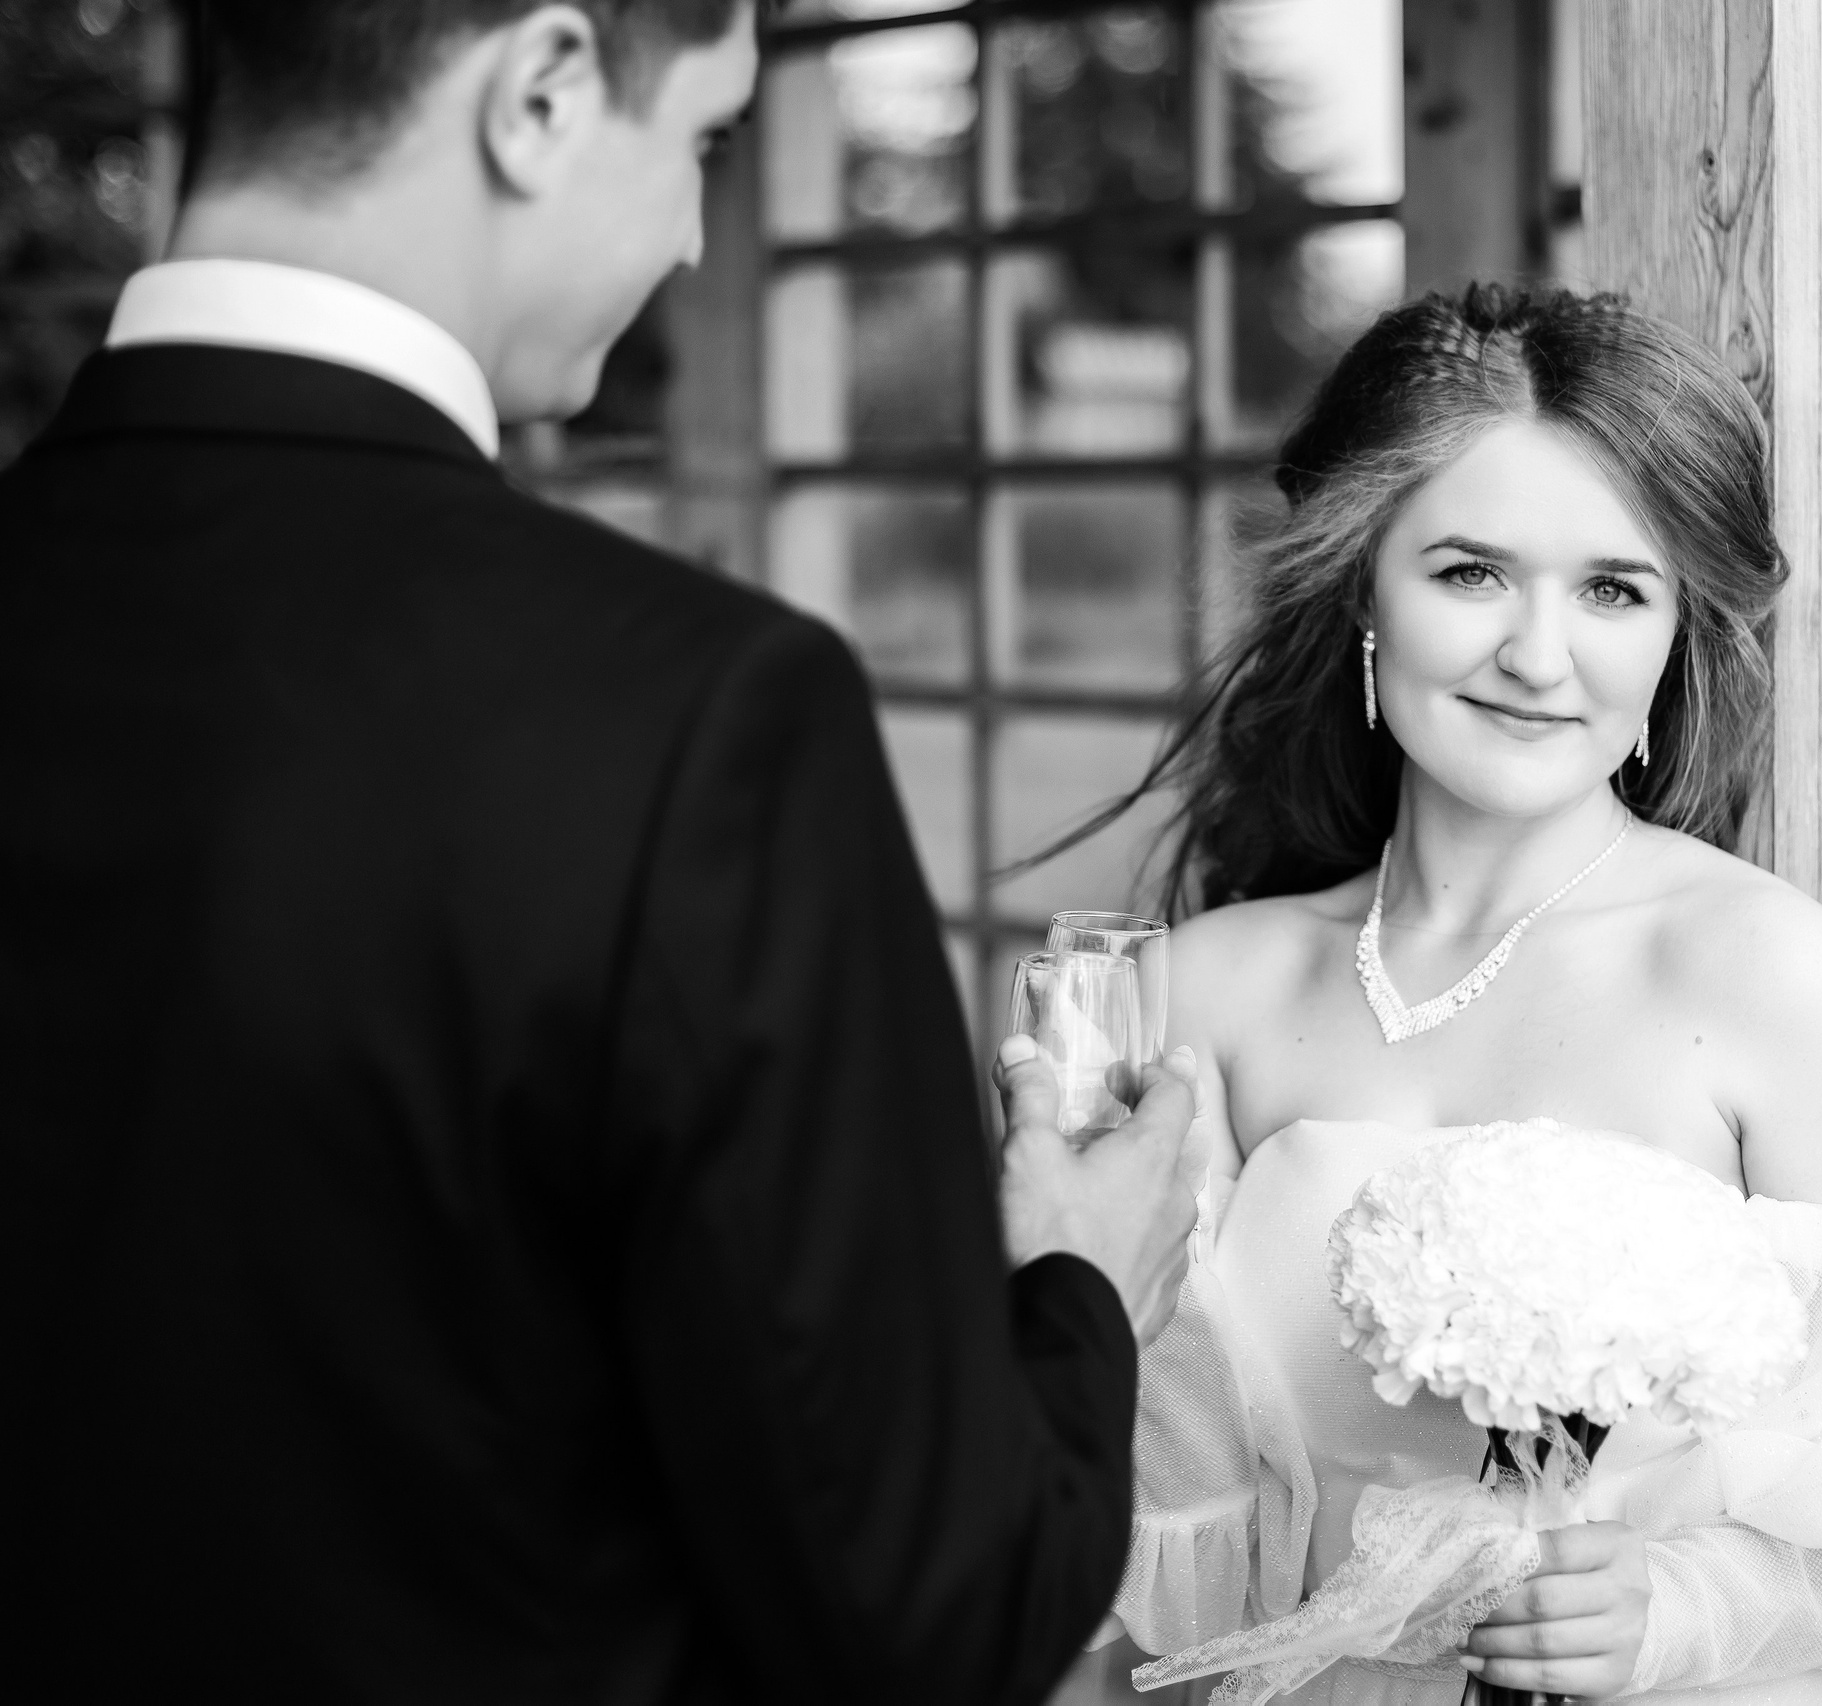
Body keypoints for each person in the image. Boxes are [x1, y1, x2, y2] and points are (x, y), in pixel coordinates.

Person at [0, 5, 1199, 1702]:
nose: (696, 234)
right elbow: (930, 1609)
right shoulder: (699, 715)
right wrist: (1079, 1281)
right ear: (544, 90)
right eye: (701, 139)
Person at [1090, 286, 1822, 1704]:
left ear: (1676, 632)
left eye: (1613, 590)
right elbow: (1142, 1531)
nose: (1538, 655)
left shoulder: (1769, 978)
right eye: (1469, 573)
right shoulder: (1197, 990)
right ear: (1364, 588)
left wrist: (1677, 1610)